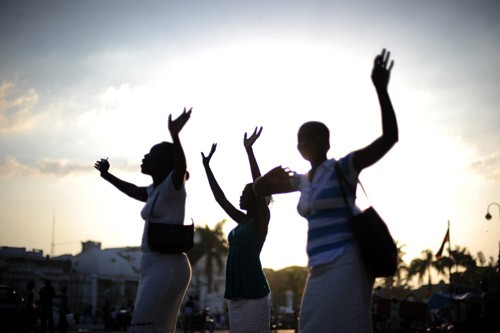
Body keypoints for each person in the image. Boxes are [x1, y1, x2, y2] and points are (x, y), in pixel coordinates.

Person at [254, 49, 398, 332]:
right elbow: (259, 190)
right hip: (317, 267)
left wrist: (381, 90)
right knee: (309, 326)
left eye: (309, 136)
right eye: (299, 139)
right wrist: (266, 178)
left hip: (348, 260)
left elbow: (390, 137)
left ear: (326, 141)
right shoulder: (304, 180)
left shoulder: (342, 167)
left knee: (349, 326)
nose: (302, 143)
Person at [94, 108, 193, 333]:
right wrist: (107, 175)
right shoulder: (154, 190)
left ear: (165, 162)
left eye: (152, 153)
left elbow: (180, 168)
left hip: (168, 265)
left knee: (142, 326)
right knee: (155, 327)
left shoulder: (173, 187)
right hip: (152, 265)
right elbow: (132, 190)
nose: (145, 156)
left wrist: (175, 136)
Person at [202, 127, 271, 333]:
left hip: (254, 293)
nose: (240, 197)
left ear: (256, 197)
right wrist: (207, 167)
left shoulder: (261, 220)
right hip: (236, 295)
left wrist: (249, 151)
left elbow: (259, 186)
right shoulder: (241, 221)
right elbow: (220, 198)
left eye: (244, 194)